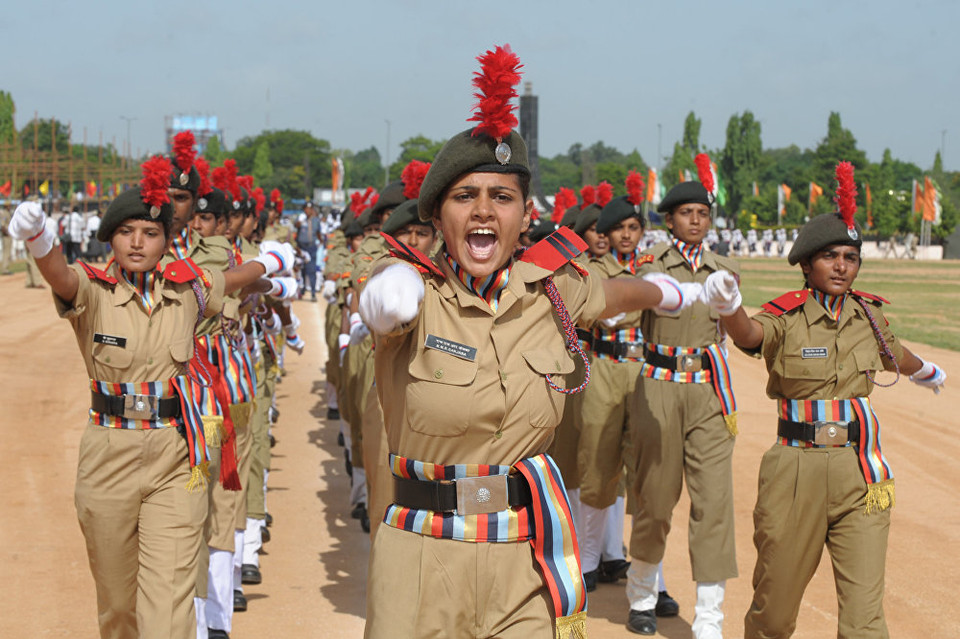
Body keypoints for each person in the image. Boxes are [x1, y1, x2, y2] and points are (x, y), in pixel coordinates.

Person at [358, 45, 699, 639]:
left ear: (523, 215)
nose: (484, 211)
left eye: (502, 197)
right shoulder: (412, 293)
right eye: (465, 197)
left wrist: (668, 292)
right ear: (438, 216)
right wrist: (388, 289)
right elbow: (380, 309)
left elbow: (614, 294)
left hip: (524, 557)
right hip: (423, 556)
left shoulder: (554, 290)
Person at [5, 155, 293, 639]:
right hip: (108, 457)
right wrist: (38, 239)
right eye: (126, 231)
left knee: (170, 607)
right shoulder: (93, 291)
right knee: (119, 609)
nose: (137, 242)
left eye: (150, 232)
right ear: (110, 239)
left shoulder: (188, 290)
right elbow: (58, 275)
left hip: (175, 458)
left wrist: (271, 263)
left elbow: (234, 279)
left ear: (165, 239)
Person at [705, 161, 946, 639]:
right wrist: (729, 308)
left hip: (862, 474)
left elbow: (895, 354)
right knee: (774, 613)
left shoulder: (869, 317)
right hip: (797, 470)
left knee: (864, 619)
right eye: (830, 256)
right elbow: (751, 336)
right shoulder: (786, 317)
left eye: (850, 257)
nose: (842, 266)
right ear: (806, 264)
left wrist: (927, 372)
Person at [625, 155, 740, 638]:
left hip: (709, 394)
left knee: (713, 503)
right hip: (659, 389)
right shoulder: (650, 266)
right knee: (656, 497)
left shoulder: (724, 269)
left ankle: (710, 619)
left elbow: (735, 325)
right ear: (669, 220)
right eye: (686, 213)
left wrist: (730, 301)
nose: (696, 221)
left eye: (703, 213)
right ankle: (643, 594)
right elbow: (624, 317)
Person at [296, 201, 322, 300]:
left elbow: (318, 232)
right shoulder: (301, 219)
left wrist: (321, 242)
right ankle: (302, 290)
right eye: (306, 209)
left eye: (310, 209)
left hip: (311, 247)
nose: (308, 211)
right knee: (302, 269)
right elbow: (296, 226)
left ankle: (313, 292)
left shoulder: (316, 220)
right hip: (301, 247)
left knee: (311, 270)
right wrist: (301, 221)